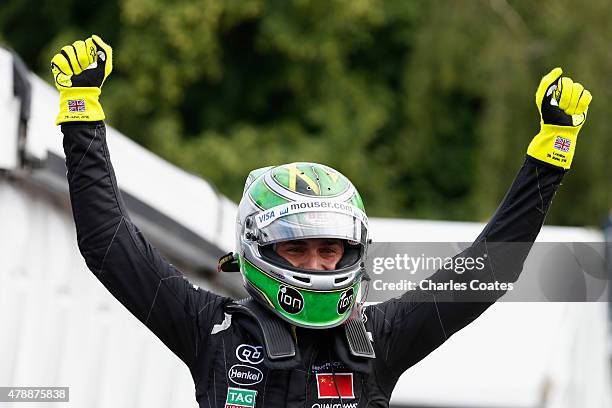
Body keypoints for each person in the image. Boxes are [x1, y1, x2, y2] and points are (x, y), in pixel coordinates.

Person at [51, 35, 592, 408]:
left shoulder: (382, 339)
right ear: (257, 249)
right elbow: (107, 242)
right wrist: (80, 114)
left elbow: (486, 272)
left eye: (330, 250)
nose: (316, 265)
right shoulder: (207, 328)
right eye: (296, 249)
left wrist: (549, 153)